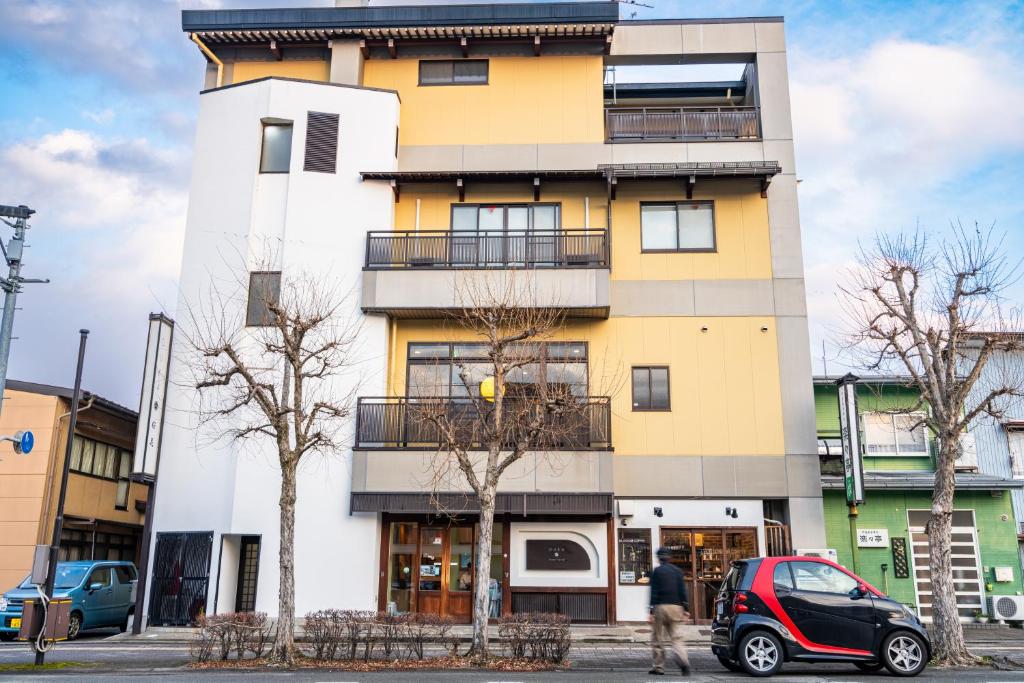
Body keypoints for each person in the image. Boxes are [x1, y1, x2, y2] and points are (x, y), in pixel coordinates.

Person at [648, 547, 690, 676]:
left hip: (660, 607)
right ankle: (683, 662)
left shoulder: (657, 571)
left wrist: (651, 611)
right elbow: (683, 591)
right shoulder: (677, 571)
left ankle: (659, 667)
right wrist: (686, 609)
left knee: (657, 638)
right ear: (669, 557)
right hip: (676, 607)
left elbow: (653, 592)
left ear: (659, 558)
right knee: (676, 637)